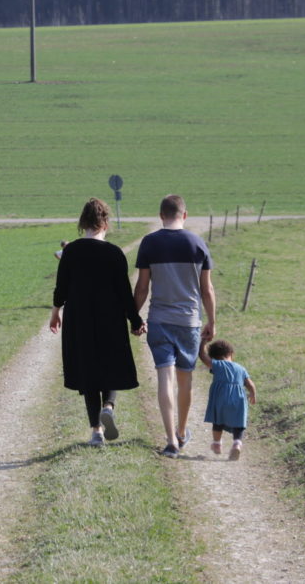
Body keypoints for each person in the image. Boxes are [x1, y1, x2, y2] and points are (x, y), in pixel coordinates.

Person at [50, 198, 146, 445]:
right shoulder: (114, 253)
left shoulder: (71, 251)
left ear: (83, 222)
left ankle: (96, 432)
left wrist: (55, 312)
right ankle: (109, 407)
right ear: (105, 222)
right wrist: (135, 321)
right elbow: (125, 294)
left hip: (79, 319)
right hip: (110, 317)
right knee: (111, 363)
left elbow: (61, 288)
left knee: (88, 370)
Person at [134, 194, 216, 458]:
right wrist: (212, 321)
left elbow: (142, 287)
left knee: (164, 379)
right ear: (185, 215)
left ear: (161, 215)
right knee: (185, 380)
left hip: (159, 320)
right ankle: (181, 432)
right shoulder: (198, 243)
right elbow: (207, 289)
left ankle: (170, 440)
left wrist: (133, 316)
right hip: (189, 323)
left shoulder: (150, 243)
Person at [201, 339, 256, 460]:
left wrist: (202, 343)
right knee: (239, 423)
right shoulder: (241, 368)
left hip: (221, 398)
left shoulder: (217, 364)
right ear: (231, 353)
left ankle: (217, 443)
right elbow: (250, 384)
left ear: (214, 357)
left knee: (218, 420)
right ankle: (237, 443)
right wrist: (252, 394)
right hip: (239, 399)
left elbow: (203, 357)